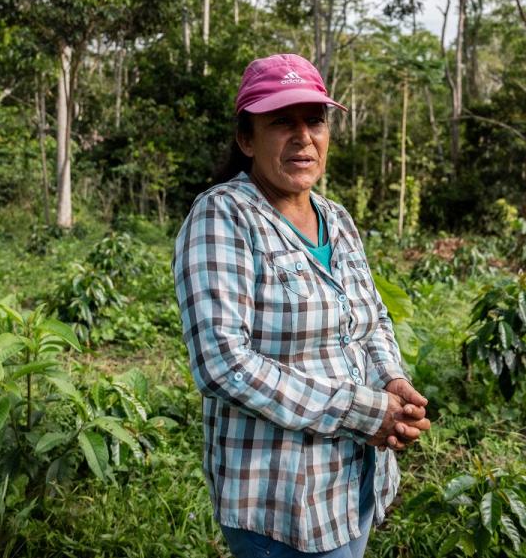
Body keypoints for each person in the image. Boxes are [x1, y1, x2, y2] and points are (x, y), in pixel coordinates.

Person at [173, 53, 431, 558]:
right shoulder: (222, 217)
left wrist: (391, 380)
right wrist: (362, 411)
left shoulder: (336, 218)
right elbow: (224, 365)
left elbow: (371, 318)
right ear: (247, 139)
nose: (303, 136)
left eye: (314, 120)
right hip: (280, 499)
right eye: (281, 122)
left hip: (353, 481)